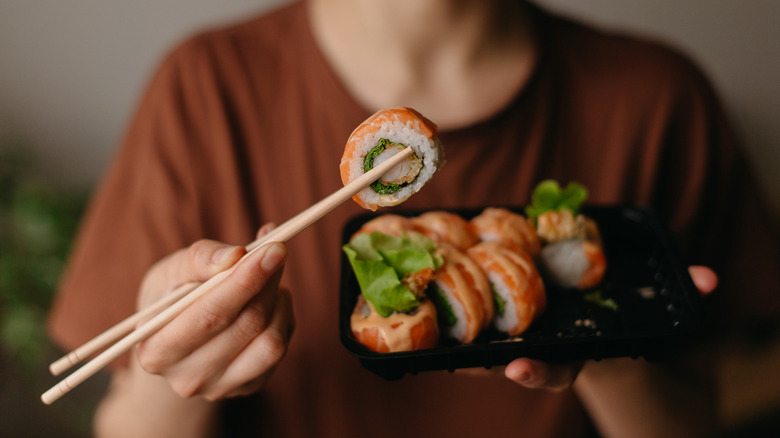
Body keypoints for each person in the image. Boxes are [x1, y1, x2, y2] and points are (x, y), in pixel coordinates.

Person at [46, 0, 780, 437]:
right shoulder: (205, 88)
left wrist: (610, 349)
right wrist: (172, 366)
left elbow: (707, 410)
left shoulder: (658, 98)